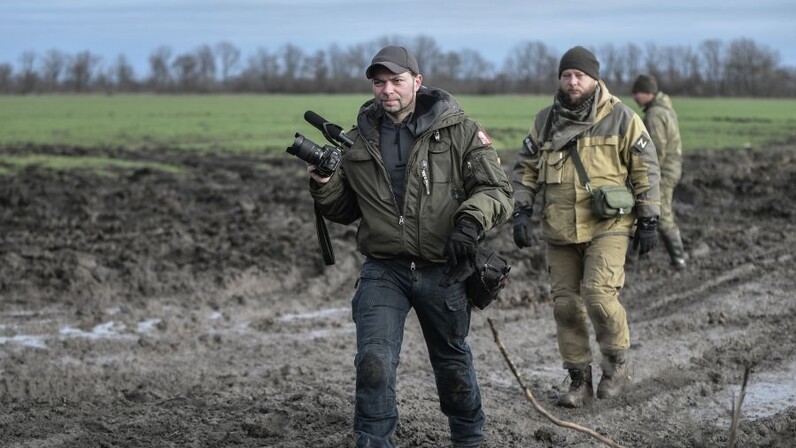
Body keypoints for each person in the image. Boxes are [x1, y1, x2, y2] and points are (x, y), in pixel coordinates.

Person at [307, 45, 513, 448]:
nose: (387, 90)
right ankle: (373, 440)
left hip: (444, 268)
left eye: (397, 81)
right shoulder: (360, 140)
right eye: (379, 82)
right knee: (373, 360)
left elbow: (497, 191)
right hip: (385, 269)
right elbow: (347, 210)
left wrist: (469, 223)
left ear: (417, 82)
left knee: (452, 361)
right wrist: (324, 185)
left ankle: (469, 439)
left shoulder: (462, 131)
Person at [511, 46, 661, 408]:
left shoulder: (622, 117)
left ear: (595, 79)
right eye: (566, 75)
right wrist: (521, 210)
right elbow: (526, 168)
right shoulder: (545, 121)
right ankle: (580, 380)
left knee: (598, 297)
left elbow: (646, 167)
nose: (572, 81)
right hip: (560, 229)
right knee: (565, 306)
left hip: (608, 225)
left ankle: (617, 366)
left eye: (579, 75)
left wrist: (649, 218)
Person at [632, 74, 687, 270]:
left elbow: (656, 149)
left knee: (661, 212)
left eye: (637, 93)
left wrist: (648, 174)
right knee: (642, 210)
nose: (634, 98)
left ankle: (678, 259)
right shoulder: (665, 109)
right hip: (669, 167)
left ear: (648, 93)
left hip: (663, 171)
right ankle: (632, 259)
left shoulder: (655, 115)